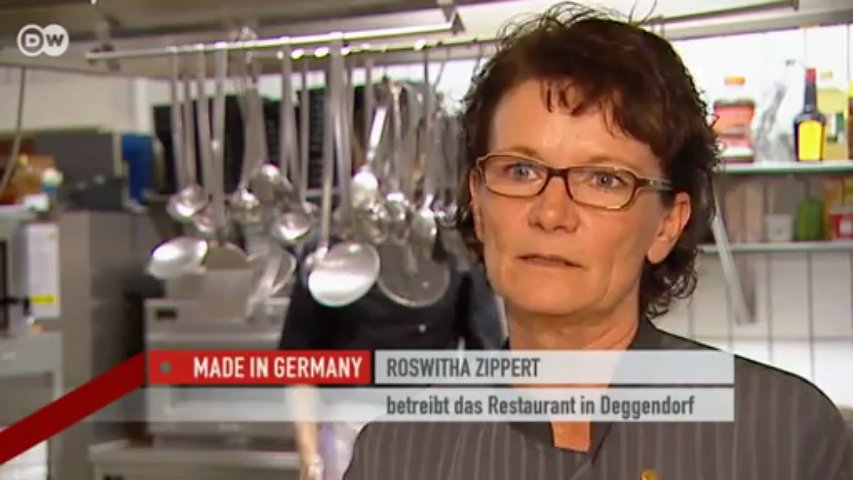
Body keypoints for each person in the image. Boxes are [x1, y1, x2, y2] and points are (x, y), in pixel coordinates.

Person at [342, 3, 853, 479]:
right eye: (520, 171)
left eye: (604, 180)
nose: (551, 213)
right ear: (478, 202)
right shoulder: (399, 453)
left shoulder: (784, 435)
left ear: (667, 225)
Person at [278, 231, 505, 479]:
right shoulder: (329, 250)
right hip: (348, 426)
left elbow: (487, 360)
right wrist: (309, 455)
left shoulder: (453, 247)